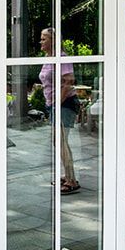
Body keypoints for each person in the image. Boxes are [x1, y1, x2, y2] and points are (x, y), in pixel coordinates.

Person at [35, 27, 80, 193]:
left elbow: (69, 82)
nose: (41, 41)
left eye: (44, 38)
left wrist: (57, 103)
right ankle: (70, 175)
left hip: (65, 104)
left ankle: (71, 180)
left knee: (60, 141)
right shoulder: (48, 58)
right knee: (60, 142)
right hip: (55, 104)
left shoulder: (62, 57)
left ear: (53, 41)